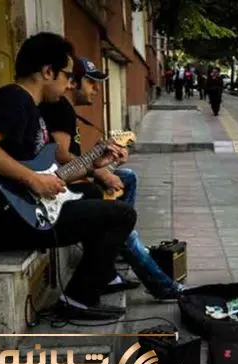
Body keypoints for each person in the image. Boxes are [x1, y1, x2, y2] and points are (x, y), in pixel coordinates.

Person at [0, 32, 136, 320]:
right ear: (47, 72)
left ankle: (92, 283)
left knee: (91, 193)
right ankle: (78, 299)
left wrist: (94, 164)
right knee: (121, 215)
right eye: (67, 75)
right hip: (4, 218)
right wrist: (33, 179)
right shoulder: (13, 98)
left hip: (25, 208)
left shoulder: (32, 109)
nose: (70, 84)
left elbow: (51, 173)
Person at [39, 56, 184, 300]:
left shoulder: (63, 107)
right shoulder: (59, 107)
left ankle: (113, 250)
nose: (96, 89)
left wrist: (98, 159)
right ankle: (156, 281)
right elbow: (60, 155)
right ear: (72, 82)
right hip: (59, 189)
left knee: (126, 178)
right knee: (121, 216)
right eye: (91, 82)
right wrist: (98, 171)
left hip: (66, 180)